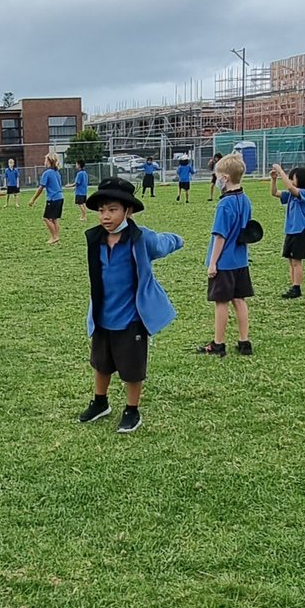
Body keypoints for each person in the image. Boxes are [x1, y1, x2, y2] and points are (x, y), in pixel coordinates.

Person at [78, 177, 184, 434]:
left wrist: (178, 239)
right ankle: (100, 402)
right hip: (102, 314)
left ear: (128, 211)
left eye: (112, 210)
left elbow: (164, 243)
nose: (105, 216)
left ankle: (132, 409)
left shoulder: (141, 238)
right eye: (101, 210)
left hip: (131, 318)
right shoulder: (96, 238)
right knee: (101, 363)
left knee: (132, 369)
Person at [196, 154, 254, 356]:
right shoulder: (245, 200)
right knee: (240, 300)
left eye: (218, 175)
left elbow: (220, 236)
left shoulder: (224, 204)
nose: (216, 179)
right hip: (240, 261)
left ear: (225, 178)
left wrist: (213, 263)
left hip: (224, 263)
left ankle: (218, 343)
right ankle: (244, 342)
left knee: (221, 302)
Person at [270, 163, 305, 299]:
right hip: (291, 231)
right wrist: (273, 180)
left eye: (293, 178)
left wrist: (280, 170)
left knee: (296, 261)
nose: (290, 180)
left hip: (300, 232)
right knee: (291, 261)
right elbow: (274, 193)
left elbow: (290, 187)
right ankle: (293, 285)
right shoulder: (290, 195)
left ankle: (297, 287)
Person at [28, 152, 65, 244]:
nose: (44, 161)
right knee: (54, 219)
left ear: (49, 161)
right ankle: (56, 237)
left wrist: (33, 199)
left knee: (46, 218)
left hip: (53, 199)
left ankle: (54, 237)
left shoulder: (47, 173)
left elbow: (41, 188)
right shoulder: (57, 173)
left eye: (45, 160)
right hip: (60, 198)